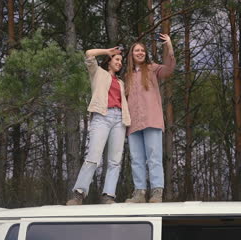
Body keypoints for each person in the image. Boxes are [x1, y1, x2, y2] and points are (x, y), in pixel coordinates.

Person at [66, 47, 130, 205]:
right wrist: (107, 51)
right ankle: (79, 194)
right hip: (102, 116)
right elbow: (89, 53)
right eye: (117, 60)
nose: (120, 63)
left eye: (121, 61)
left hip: (119, 120)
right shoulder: (97, 72)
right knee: (93, 157)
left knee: (115, 161)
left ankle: (108, 195)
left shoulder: (121, 82)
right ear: (109, 62)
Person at [124, 34, 176, 203]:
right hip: (133, 123)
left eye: (142, 50)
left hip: (152, 119)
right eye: (136, 50)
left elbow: (169, 69)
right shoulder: (127, 75)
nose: (140, 53)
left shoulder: (152, 68)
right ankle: (139, 193)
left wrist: (168, 45)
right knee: (136, 159)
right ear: (131, 54)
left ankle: (156, 192)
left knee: (154, 157)